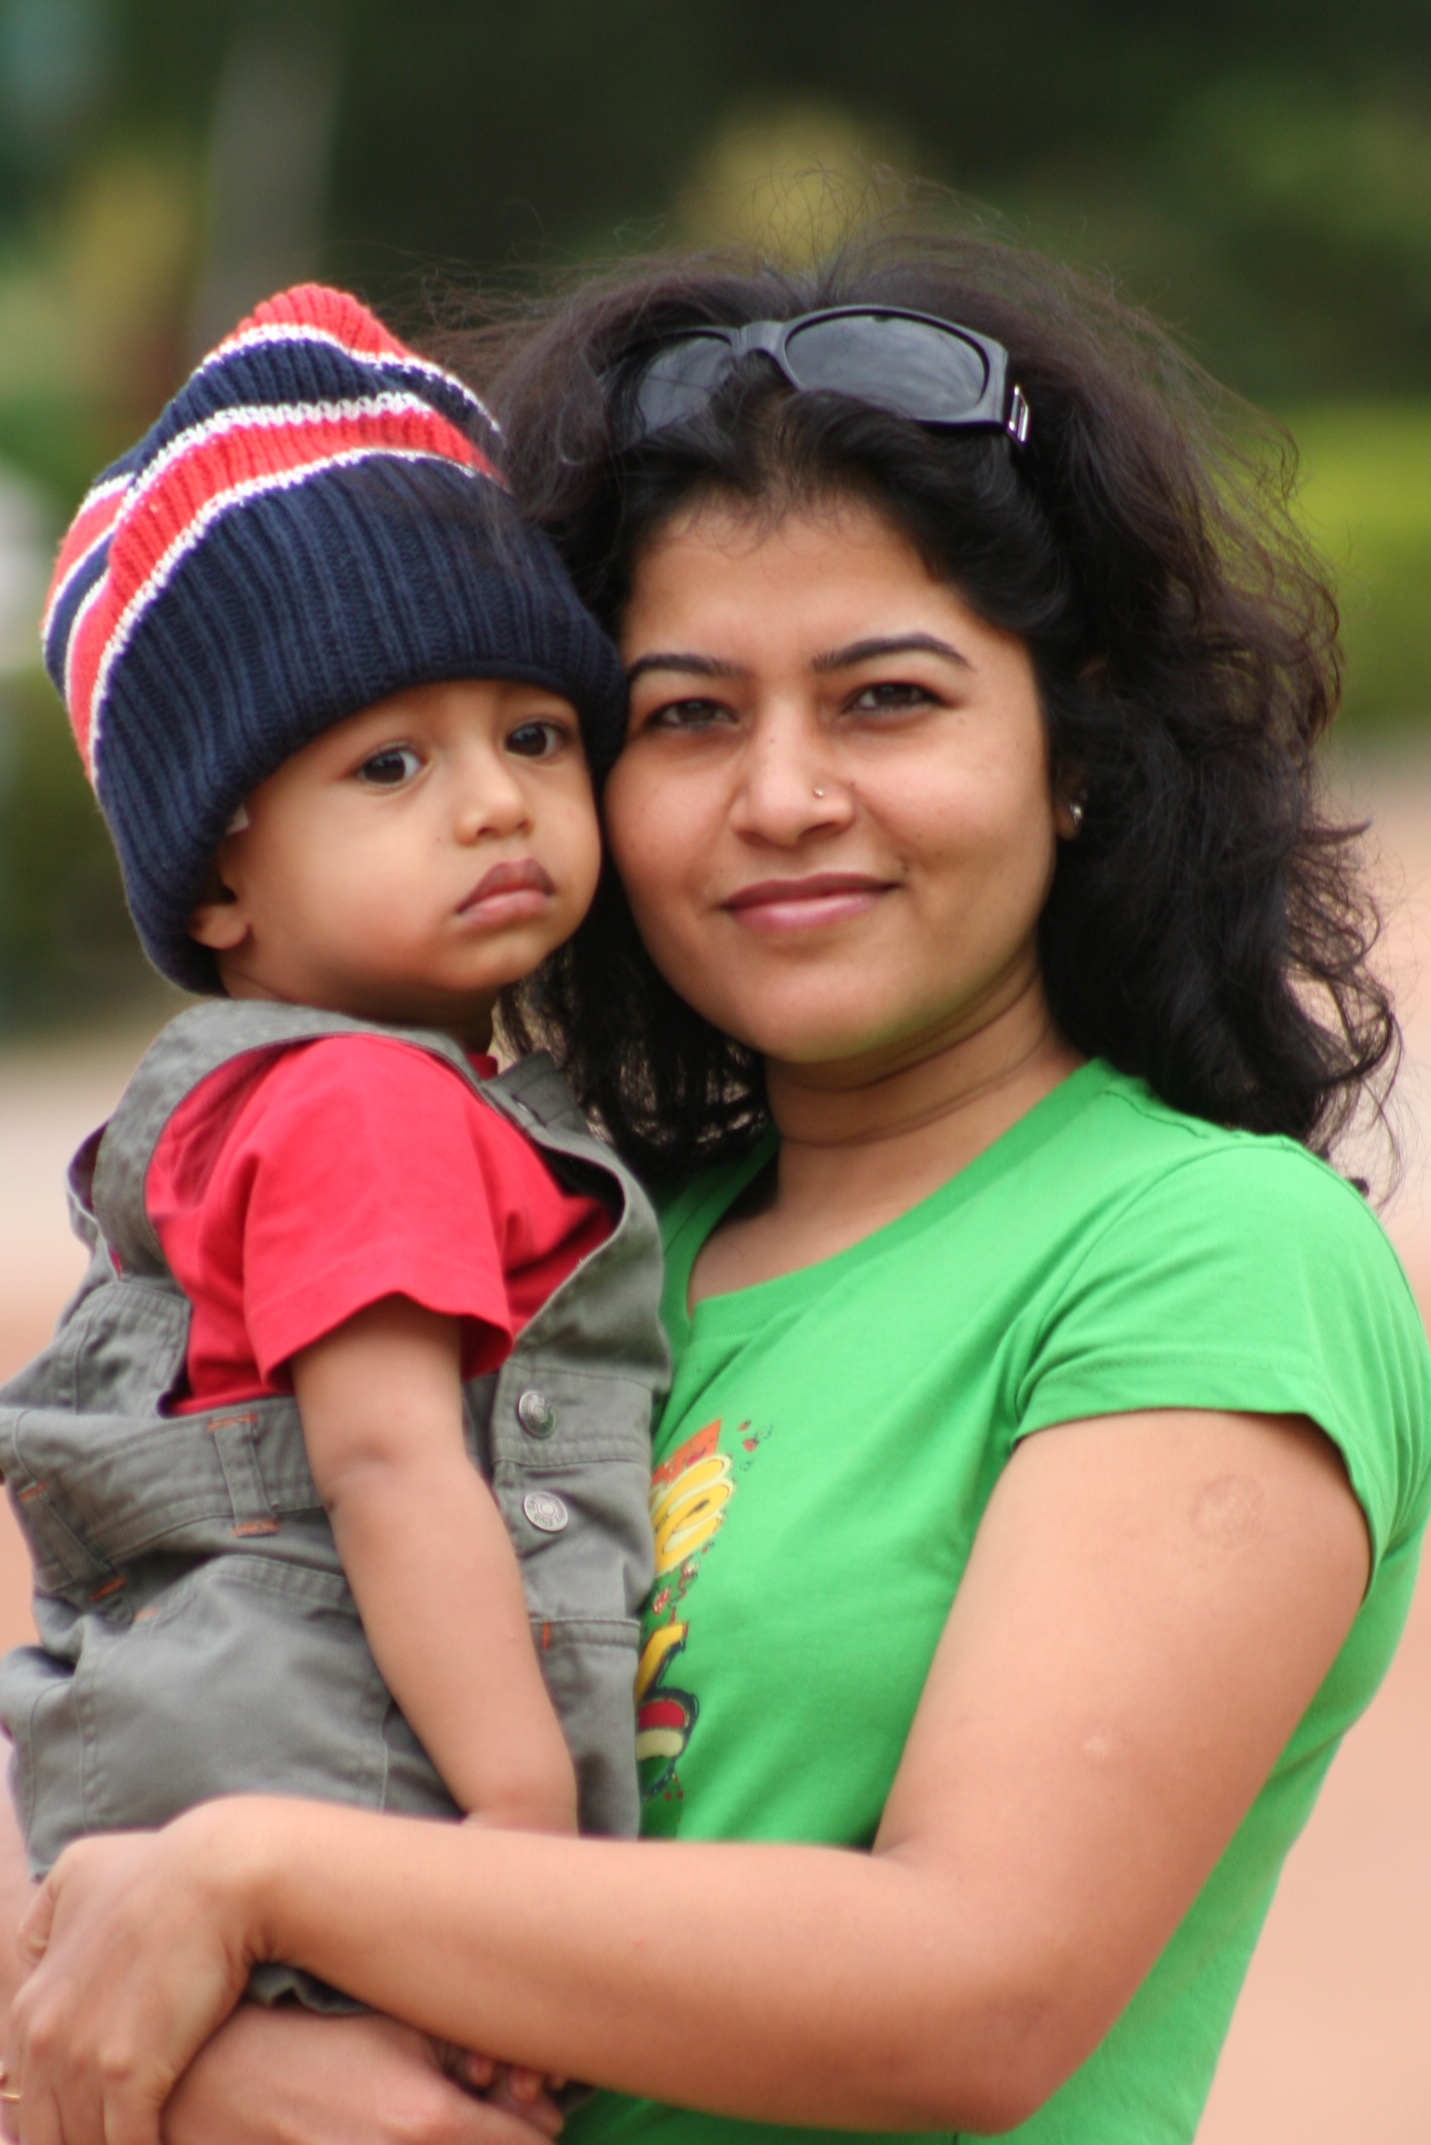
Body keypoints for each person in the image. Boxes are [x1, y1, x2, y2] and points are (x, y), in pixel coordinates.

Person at [2, 229, 1429, 2145]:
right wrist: (207, 2063)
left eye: (887, 699)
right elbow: (149, 1741)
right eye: (684, 717)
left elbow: (975, 1987)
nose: (780, 798)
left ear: (1071, 745)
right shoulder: (578, 1243)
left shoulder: (1202, 1255)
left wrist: (257, 1885)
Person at [0, 283, 666, 2030]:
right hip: (365, 1791)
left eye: (536, 735)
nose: (496, 801)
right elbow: (386, 1461)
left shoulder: (270, 1090)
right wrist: (518, 1826)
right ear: (218, 878)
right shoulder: (362, 1104)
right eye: (390, 763)